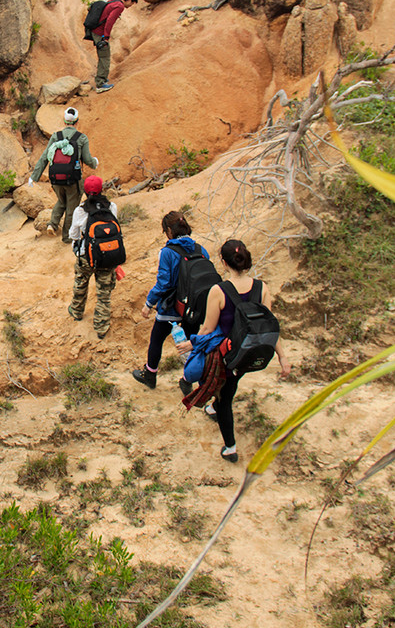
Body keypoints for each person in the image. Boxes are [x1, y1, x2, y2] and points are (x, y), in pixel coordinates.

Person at [174, 239, 291, 463]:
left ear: (224, 263)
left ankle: (230, 448)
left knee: (225, 398)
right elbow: (268, 327)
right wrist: (283, 357)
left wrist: (191, 343)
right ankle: (214, 407)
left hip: (227, 355)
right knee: (231, 385)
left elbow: (208, 328)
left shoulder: (218, 291)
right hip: (249, 353)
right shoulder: (262, 288)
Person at [132, 211, 209, 390]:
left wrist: (149, 304)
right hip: (193, 308)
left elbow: (163, 283)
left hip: (171, 307)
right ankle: (187, 380)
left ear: (168, 230)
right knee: (191, 341)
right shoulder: (201, 249)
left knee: (157, 339)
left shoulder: (167, 252)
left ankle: (150, 375)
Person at [28, 106, 98, 243]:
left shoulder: (56, 136)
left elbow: (44, 158)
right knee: (71, 207)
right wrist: (95, 163)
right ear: (77, 121)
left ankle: (52, 224)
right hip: (73, 179)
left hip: (55, 179)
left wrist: (34, 177)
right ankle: (67, 237)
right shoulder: (81, 138)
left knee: (61, 201)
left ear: (64, 121)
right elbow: (88, 160)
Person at [67, 175, 118, 339]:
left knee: (81, 283)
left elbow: (73, 234)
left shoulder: (80, 210)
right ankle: (101, 326)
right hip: (107, 256)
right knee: (104, 293)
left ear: (85, 192)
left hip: (86, 256)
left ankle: (76, 311)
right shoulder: (112, 207)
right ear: (102, 190)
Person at [91, 0, 138, 93]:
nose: (131, 5)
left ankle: (101, 78)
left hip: (96, 31)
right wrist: (106, 38)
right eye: (132, 2)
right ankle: (100, 84)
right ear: (129, 0)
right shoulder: (120, 6)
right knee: (105, 57)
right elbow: (109, 21)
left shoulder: (115, 1)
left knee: (103, 56)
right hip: (100, 33)